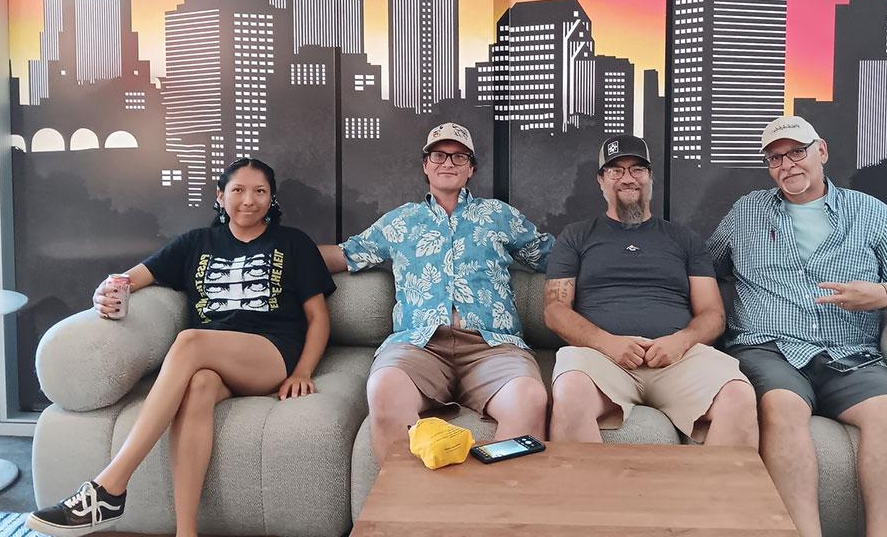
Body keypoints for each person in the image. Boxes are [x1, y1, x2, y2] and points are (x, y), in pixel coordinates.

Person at [28, 158, 335, 537]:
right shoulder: (195, 243)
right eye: (238, 190)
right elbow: (130, 279)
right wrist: (103, 291)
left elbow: (318, 317)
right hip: (210, 360)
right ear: (220, 196)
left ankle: (110, 486)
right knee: (199, 386)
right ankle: (185, 532)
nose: (249, 200)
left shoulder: (293, 243)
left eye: (260, 191)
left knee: (190, 341)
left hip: (269, 353)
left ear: (272, 198)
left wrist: (303, 370)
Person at [707, 116, 887, 537]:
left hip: (850, 353)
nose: (788, 164)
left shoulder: (869, 213)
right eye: (775, 158)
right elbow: (704, 266)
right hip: (769, 349)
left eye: (798, 152)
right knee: (783, 406)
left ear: (822, 151)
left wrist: (882, 295)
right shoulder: (747, 212)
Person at [319, 122, 553, 465]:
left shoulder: (498, 215)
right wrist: (277, 254)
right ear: (426, 164)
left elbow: (552, 255)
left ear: (471, 169)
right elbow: (344, 255)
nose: (448, 163)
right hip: (419, 346)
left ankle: (497, 510)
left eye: (459, 157)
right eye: (439, 155)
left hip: (493, 347)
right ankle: (408, 513)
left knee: (529, 397)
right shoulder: (400, 222)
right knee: (383, 387)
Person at [543, 135, 757, 447]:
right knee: (570, 390)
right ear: (601, 180)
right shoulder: (576, 236)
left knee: (738, 394)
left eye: (637, 169)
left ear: (650, 178)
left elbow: (713, 314)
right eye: (616, 170)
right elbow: (555, 310)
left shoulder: (684, 239)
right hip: (602, 360)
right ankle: (587, 497)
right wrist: (607, 343)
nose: (627, 178)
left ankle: (709, 497)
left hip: (676, 358)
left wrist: (680, 342)